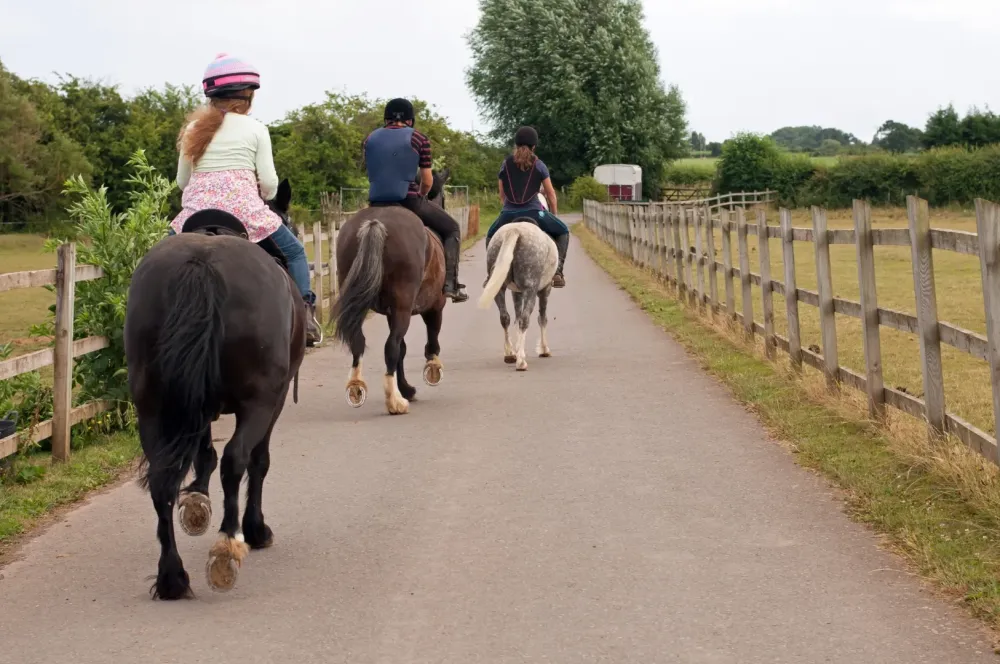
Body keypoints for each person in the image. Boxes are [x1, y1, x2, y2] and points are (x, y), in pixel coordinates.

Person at [168, 53, 322, 344]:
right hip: (244, 214)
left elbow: (182, 182)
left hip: (195, 214)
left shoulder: (192, 130)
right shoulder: (256, 129)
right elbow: (270, 184)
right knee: (295, 253)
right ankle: (306, 318)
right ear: (248, 97)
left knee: (157, 258)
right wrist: (264, 194)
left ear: (212, 96)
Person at [362, 98, 468, 303]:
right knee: (452, 228)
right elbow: (427, 181)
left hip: (376, 202)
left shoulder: (370, 139)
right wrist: (421, 194)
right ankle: (450, 285)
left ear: (386, 118)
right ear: (410, 120)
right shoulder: (419, 139)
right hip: (408, 200)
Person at [485, 127, 569, 287]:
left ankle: (491, 274)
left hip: (507, 214)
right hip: (535, 213)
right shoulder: (539, 165)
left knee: (490, 236)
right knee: (563, 231)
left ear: (516, 145)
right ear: (534, 147)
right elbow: (551, 194)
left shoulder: (505, 164)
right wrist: (554, 215)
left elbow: (502, 195)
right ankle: (558, 272)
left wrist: (508, 209)